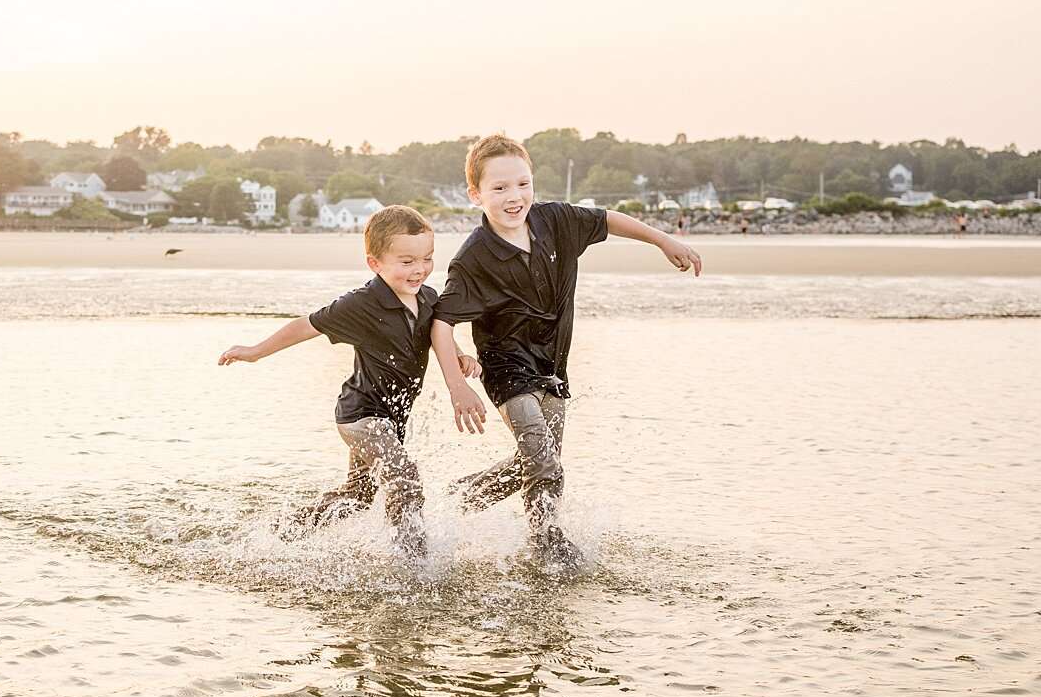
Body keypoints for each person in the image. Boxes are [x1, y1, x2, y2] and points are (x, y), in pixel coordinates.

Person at [430, 134, 704, 571]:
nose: (514, 197)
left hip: (553, 368)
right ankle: (547, 542)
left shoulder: (555, 220)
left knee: (539, 461)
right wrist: (458, 386)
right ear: (476, 194)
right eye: (499, 189)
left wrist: (662, 240)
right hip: (507, 371)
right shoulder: (473, 259)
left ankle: (457, 501)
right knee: (542, 457)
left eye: (522, 183)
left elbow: (608, 219)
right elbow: (441, 321)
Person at [219, 205, 478, 559]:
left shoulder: (428, 298)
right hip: (360, 416)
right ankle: (413, 567)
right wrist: (255, 351)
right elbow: (305, 325)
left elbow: (438, 334)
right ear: (375, 263)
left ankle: (283, 533)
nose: (419, 269)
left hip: (390, 419)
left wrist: (460, 354)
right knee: (405, 480)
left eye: (427, 259)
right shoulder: (361, 304)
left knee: (357, 497)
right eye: (406, 261)